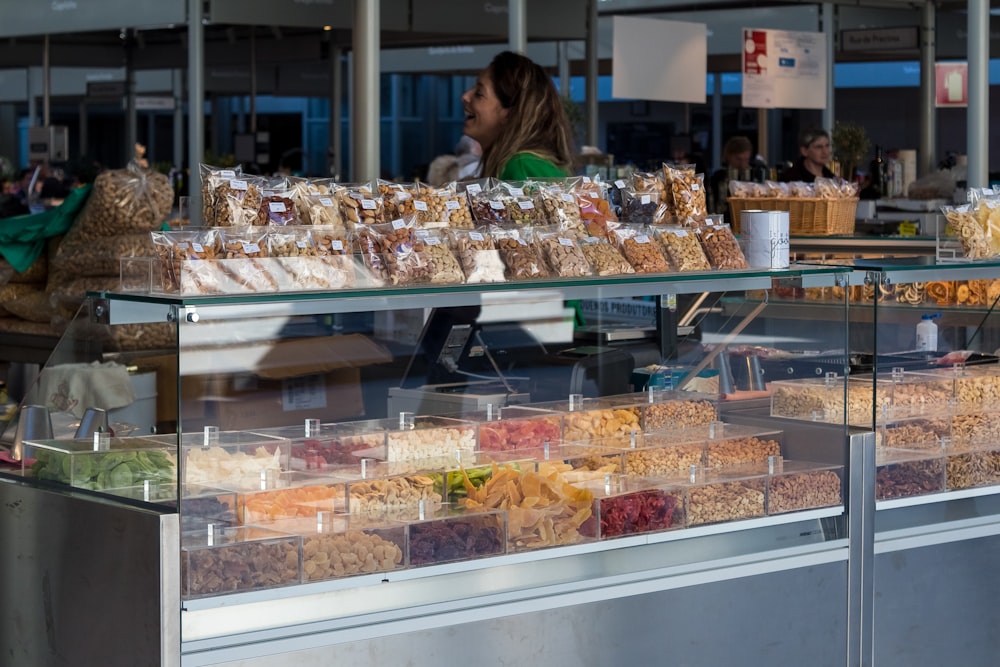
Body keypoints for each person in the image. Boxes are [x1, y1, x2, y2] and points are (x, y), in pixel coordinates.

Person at [460, 50, 574, 180]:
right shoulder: (524, 163)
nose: (465, 96)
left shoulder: (522, 166)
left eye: (479, 93)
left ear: (511, 114)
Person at [709, 136, 752, 220]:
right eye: (739, 159)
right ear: (728, 156)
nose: (743, 164)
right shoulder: (718, 177)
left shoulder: (753, 178)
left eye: (746, 160)